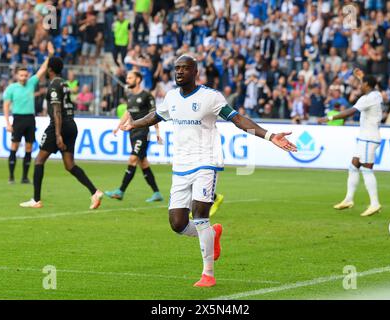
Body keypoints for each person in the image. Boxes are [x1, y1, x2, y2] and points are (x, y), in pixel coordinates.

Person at [120, 55, 297, 287]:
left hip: (206, 161)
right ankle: (212, 234)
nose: (179, 72)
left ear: (195, 72)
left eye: (185, 68)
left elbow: (238, 119)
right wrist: (134, 123)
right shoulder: (172, 97)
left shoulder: (210, 97)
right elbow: (156, 115)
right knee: (177, 224)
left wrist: (270, 136)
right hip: (180, 165)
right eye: (177, 69)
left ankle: (208, 274)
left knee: (200, 214)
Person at [20, 56, 103, 209]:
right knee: (70, 165)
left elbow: (57, 110)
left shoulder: (53, 85)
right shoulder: (64, 83)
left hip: (59, 125)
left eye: (46, 68)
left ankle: (36, 200)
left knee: (39, 160)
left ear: (50, 69)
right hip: (71, 124)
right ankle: (94, 192)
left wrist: (58, 135)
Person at [319, 69, 383, 217]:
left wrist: (329, 118)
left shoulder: (366, 99)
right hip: (365, 138)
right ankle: (348, 199)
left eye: (361, 83)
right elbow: (372, 84)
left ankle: (375, 203)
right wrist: (362, 76)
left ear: (367, 85)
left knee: (367, 169)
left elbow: (349, 112)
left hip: (369, 138)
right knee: (354, 165)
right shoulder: (377, 94)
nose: (359, 86)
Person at [105, 71, 164, 203]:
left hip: (143, 133)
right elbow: (128, 112)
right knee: (143, 163)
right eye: (127, 77)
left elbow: (154, 116)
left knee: (132, 159)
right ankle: (157, 193)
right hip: (132, 134)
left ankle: (120, 191)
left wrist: (158, 133)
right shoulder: (130, 96)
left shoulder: (147, 96)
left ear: (138, 80)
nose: (127, 79)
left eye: (130, 77)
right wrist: (118, 126)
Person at [3, 42, 53, 184]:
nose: (24, 77)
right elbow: (6, 106)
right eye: (21, 75)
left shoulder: (31, 83)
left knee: (29, 148)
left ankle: (24, 177)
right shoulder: (11, 88)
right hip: (18, 119)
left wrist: (49, 55)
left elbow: (43, 69)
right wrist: (7, 123)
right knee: (14, 146)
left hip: (30, 119)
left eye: (25, 75)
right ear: (17, 76)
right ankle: (11, 176)